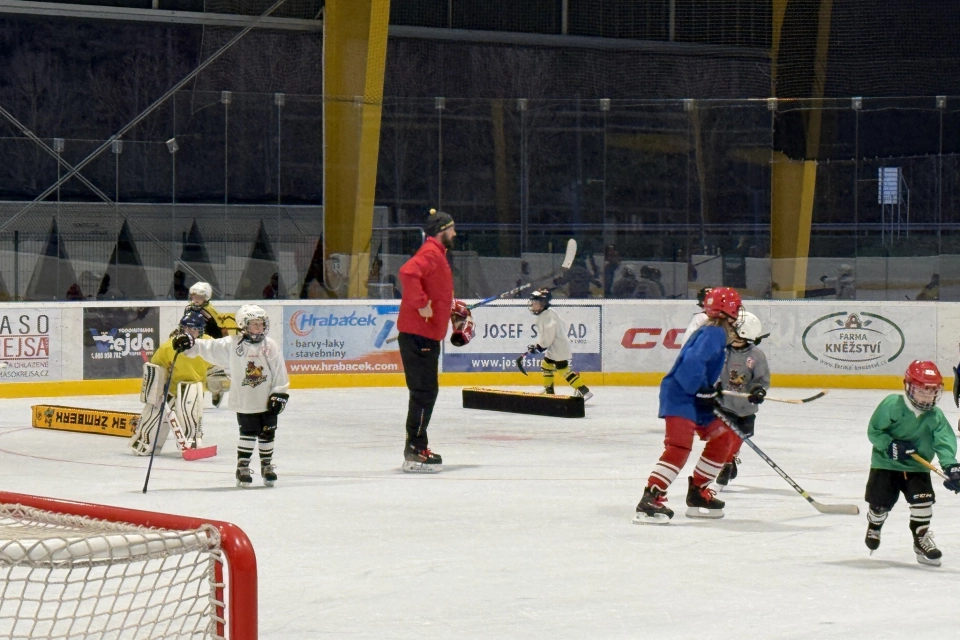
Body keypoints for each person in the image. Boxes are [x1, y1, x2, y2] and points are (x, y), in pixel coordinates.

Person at [634, 287, 744, 524]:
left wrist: (708, 390)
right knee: (679, 446)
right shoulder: (714, 333)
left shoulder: (715, 332)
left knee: (723, 437)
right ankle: (651, 497)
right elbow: (692, 362)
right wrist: (701, 389)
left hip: (692, 394)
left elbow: (700, 365)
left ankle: (698, 493)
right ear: (731, 310)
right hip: (680, 394)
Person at [173, 304, 290, 487]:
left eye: (261, 324)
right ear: (243, 325)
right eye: (254, 324)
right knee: (248, 433)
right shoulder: (233, 344)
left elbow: (279, 372)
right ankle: (242, 466)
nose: (259, 328)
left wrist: (280, 393)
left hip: (266, 400)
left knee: (268, 433)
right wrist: (190, 344)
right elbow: (209, 347)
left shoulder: (270, 345)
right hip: (244, 400)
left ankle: (266, 465)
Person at [863, 361, 960, 566]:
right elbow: (875, 431)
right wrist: (890, 444)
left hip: (917, 467)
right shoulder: (892, 404)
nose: (927, 397)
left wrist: (951, 466)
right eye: (922, 391)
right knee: (880, 505)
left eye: (932, 392)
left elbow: (944, 442)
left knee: (923, 504)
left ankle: (920, 540)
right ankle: (875, 523)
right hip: (885, 465)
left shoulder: (936, 416)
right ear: (908, 386)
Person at [396, 208, 461, 473]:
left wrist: (453, 313)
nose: (455, 234)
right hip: (419, 334)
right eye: (452, 229)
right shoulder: (432, 253)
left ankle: (416, 446)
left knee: (425, 393)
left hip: (425, 334)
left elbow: (441, 293)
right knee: (424, 393)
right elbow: (407, 273)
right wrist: (421, 304)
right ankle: (415, 449)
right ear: (442, 231)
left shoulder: (438, 255)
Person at [131, 311, 210, 456]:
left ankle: (192, 440)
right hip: (170, 388)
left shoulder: (209, 345)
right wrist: (155, 392)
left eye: (194, 329)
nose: (190, 332)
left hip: (193, 387)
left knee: (189, 409)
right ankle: (145, 441)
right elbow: (155, 368)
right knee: (153, 416)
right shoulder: (170, 346)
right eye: (187, 328)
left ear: (201, 330)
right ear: (182, 328)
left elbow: (219, 367)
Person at [711, 311, 770, 486]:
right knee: (727, 435)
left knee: (739, 436)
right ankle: (727, 463)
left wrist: (758, 390)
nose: (729, 333)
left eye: (733, 330)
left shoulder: (756, 356)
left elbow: (761, 379)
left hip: (745, 407)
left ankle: (731, 459)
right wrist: (715, 385)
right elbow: (713, 371)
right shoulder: (723, 351)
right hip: (725, 404)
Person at [522, 288, 592, 401]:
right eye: (533, 302)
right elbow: (546, 337)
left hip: (558, 349)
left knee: (563, 370)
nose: (533, 305)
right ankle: (549, 392)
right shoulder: (547, 314)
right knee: (546, 365)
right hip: (555, 348)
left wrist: (538, 348)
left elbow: (548, 338)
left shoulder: (547, 316)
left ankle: (584, 391)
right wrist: (537, 346)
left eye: (536, 303)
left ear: (543, 304)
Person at [185, 281, 234, 407]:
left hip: (212, 342)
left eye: (199, 297)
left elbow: (222, 329)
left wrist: (226, 344)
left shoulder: (211, 311)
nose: (196, 300)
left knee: (213, 370)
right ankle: (197, 395)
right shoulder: (188, 308)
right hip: (197, 341)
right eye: (194, 297)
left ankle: (216, 390)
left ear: (206, 298)